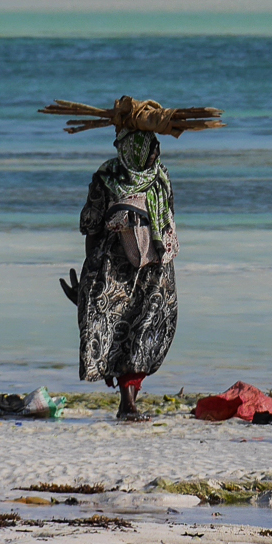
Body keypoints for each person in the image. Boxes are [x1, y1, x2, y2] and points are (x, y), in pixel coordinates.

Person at [59, 126, 178, 421]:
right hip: (150, 267)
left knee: (127, 329)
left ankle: (129, 402)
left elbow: (90, 225)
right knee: (141, 329)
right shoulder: (159, 179)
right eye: (151, 147)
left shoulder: (107, 177)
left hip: (125, 269)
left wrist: (90, 283)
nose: (156, 152)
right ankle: (128, 403)